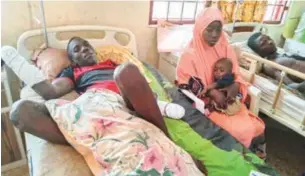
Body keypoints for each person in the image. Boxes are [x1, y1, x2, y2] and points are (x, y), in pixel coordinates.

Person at [1, 37, 205, 174]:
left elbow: (139, 84)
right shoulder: (74, 73)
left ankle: (172, 146)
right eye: (77, 50)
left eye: (86, 45)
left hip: (127, 100)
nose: (84, 50)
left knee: (126, 72)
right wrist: (15, 60)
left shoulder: (113, 64)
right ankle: (89, 143)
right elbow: (50, 92)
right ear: (73, 60)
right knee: (20, 112)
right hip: (98, 104)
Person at [176, 7, 266, 156]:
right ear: (199, 29)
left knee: (258, 127)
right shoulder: (188, 55)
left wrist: (235, 86)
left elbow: (236, 74)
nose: (214, 35)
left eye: (218, 30)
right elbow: (185, 86)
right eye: (209, 29)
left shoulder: (225, 47)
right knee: (240, 130)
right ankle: (234, 160)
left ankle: (253, 162)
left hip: (229, 99)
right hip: (204, 106)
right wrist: (212, 92)